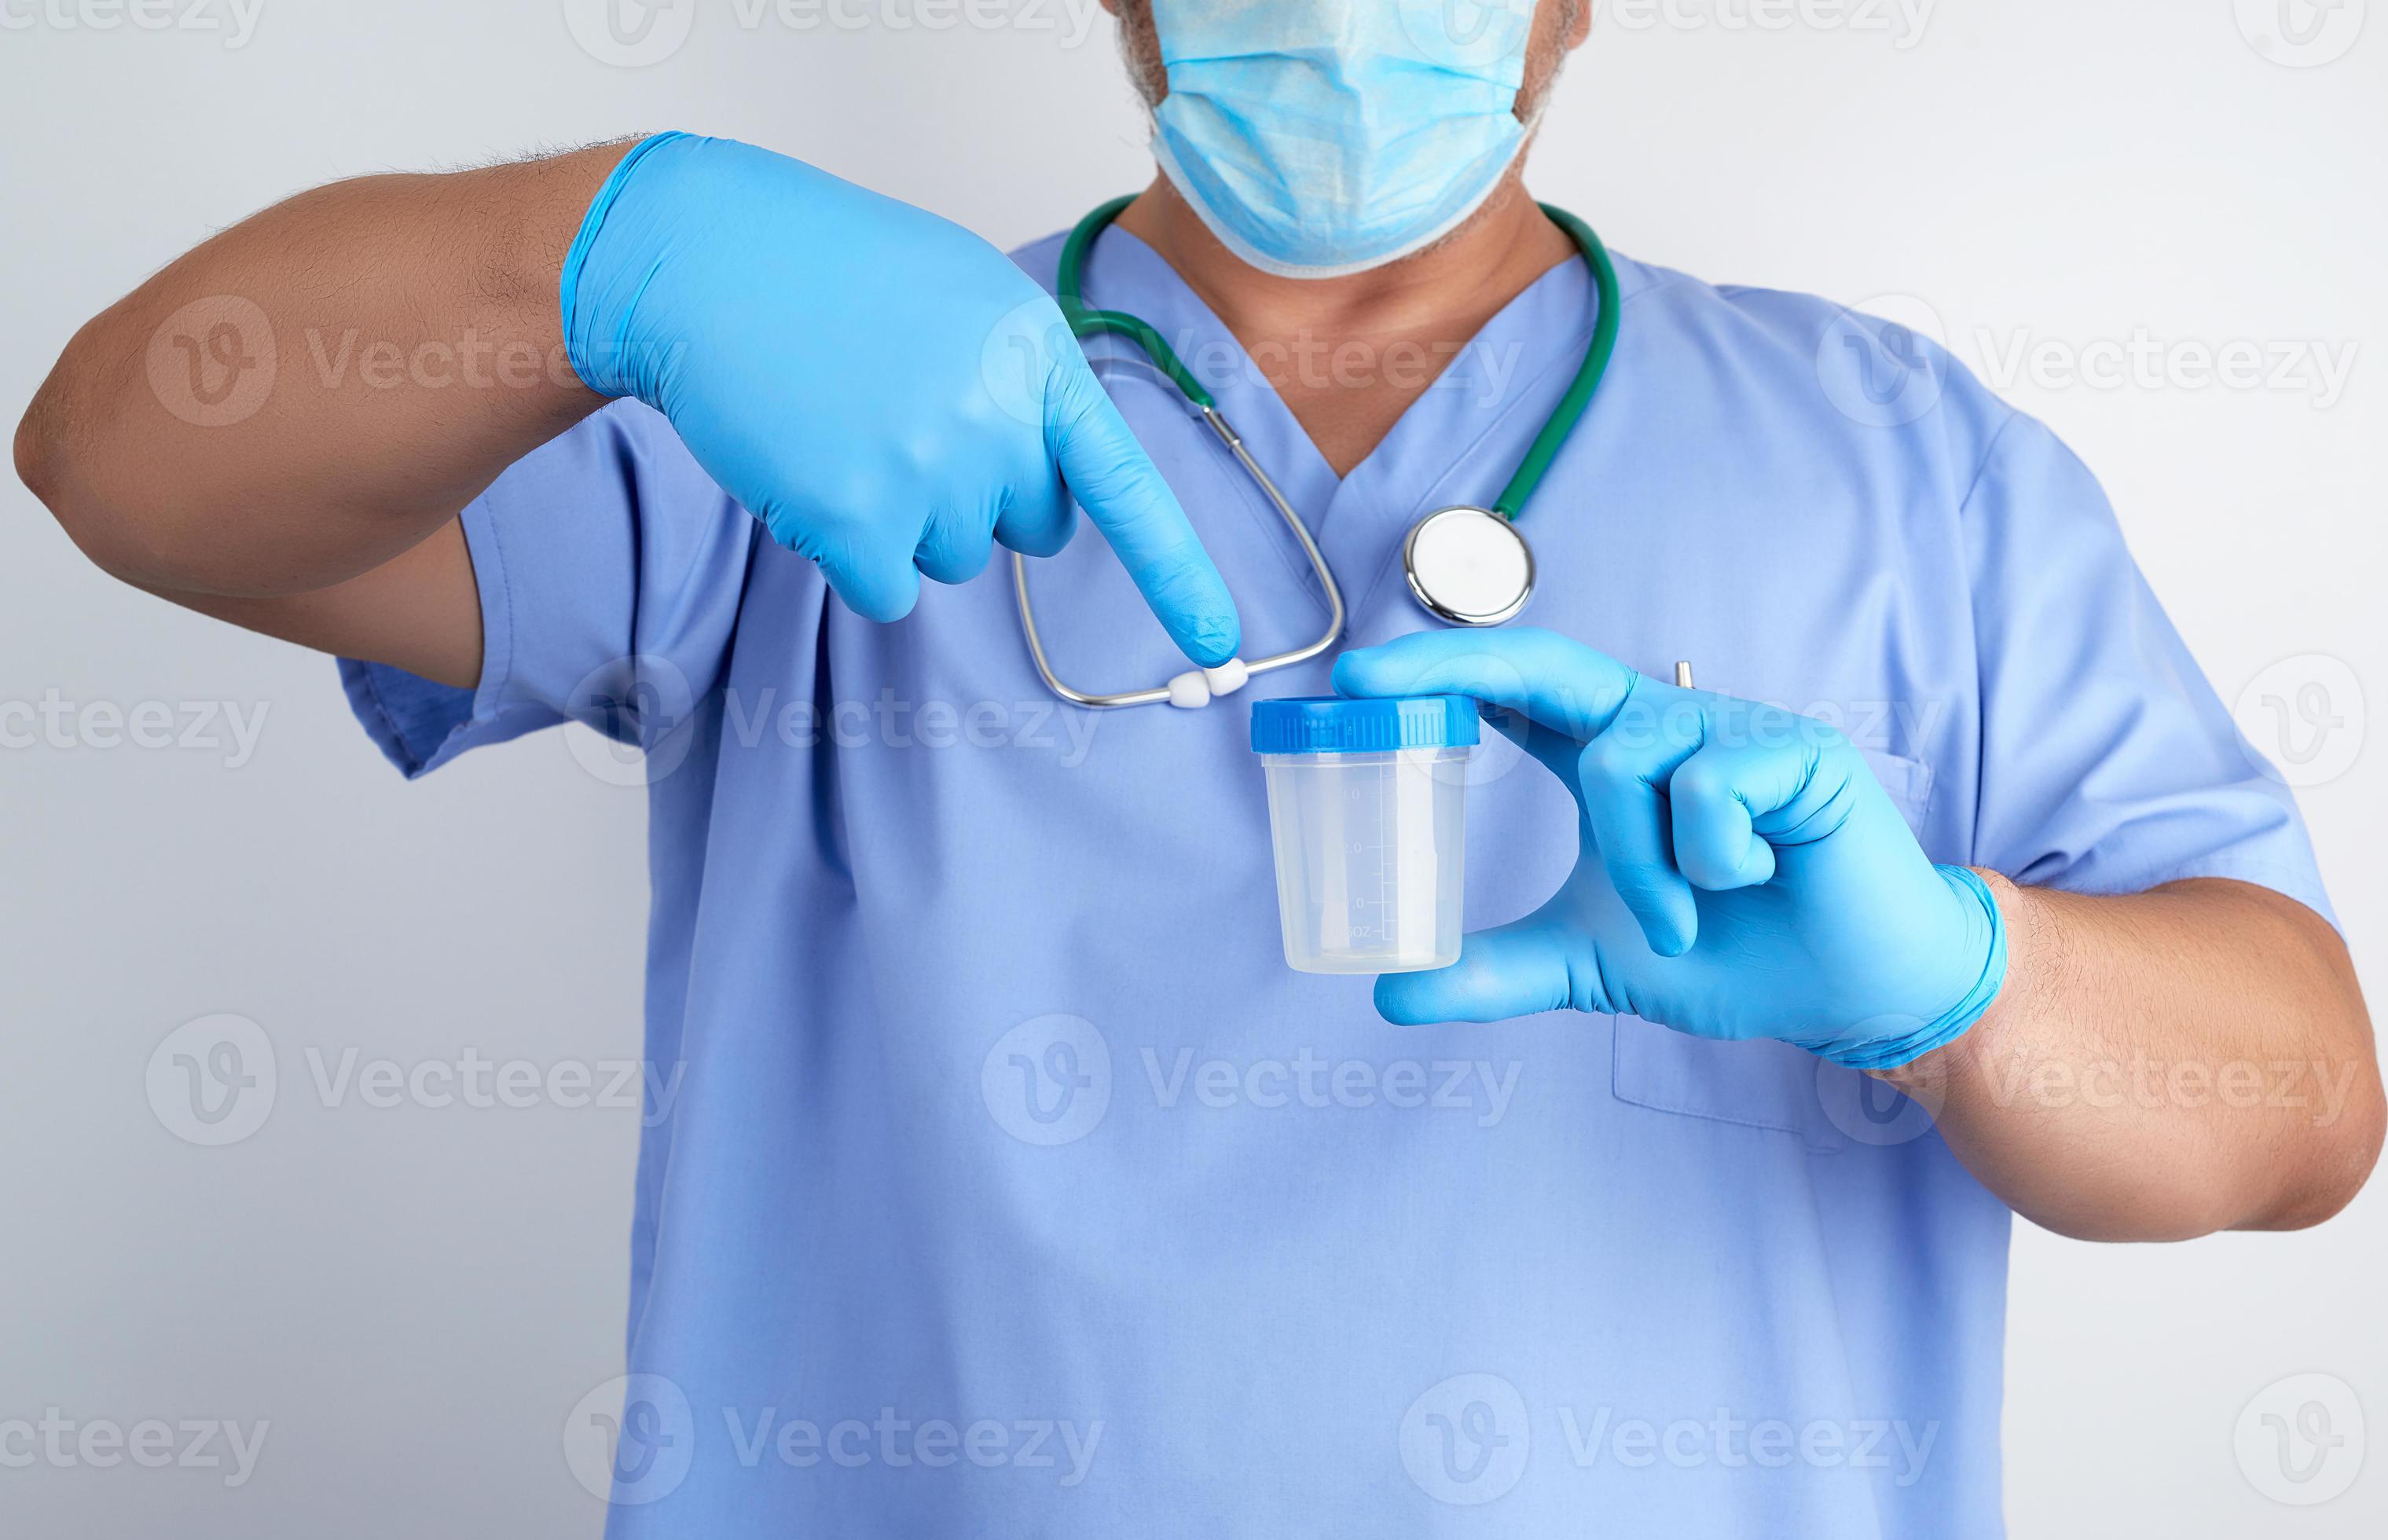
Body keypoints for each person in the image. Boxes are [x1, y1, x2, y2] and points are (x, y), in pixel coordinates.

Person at [15, 1, 2378, 1534]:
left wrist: (1961, 981)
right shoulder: (800, 404)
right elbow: (127, 459)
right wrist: (603, 247)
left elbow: (2299, 1113)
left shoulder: (1909, 469)